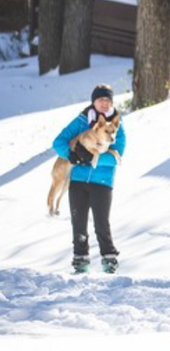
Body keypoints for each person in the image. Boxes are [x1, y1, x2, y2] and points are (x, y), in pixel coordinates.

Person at [53, 85, 128, 274]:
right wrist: (71, 155)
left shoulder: (116, 127)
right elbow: (58, 142)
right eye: (100, 100)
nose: (104, 103)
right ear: (93, 102)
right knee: (78, 223)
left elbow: (116, 156)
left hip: (102, 182)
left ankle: (109, 260)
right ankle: (80, 261)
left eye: (108, 100)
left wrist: (91, 157)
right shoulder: (80, 121)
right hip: (77, 180)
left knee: (101, 223)